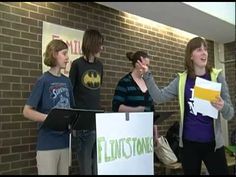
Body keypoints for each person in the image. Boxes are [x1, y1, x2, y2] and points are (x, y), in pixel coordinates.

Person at [138, 37, 234, 175]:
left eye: (205, 49)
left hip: (213, 145)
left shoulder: (217, 76)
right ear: (191, 56)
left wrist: (223, 106)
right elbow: (159, 97)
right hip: (189, 145)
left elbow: (229, 113)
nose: (204, 53)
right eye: (199, 49)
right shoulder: (182, 79)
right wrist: (147, 75)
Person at [23, 39, 75, 175]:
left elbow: (72, 111)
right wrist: (50, 118)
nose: (67, 58)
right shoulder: (43, 80)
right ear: (54, 54)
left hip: (64, 143)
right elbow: (27, 111)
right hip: (47, 144)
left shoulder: (67, 81)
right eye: (64, 54)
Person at [69, 29, 104, 175]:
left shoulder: (99, 65)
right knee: (85, 164)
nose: (102, 48)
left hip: (96, 121)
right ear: (92, 44)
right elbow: (71, 92)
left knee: (97, 164)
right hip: (81, 122)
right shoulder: (77, 65)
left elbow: (96, 91)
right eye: (100, 44)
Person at [112, 51, 158, 145]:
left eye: (148, 66)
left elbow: (152, 109)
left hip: (146, 133)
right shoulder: (125, 82)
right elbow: (116, 107)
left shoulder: (148, 82)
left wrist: (155, 133)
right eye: (145, 65)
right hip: (130, 133)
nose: (147, 68)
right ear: (137, 64)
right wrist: (137, 110)